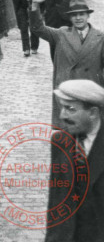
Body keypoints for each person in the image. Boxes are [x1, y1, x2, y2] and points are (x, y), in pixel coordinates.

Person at [46, 79, 104, 242]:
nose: (62, 116)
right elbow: (56, 200)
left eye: (70, 109)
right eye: (62, 107)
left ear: (93, 112)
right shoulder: (59, 141)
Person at [30, 0, 104, 123]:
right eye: (74, 15)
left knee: (89, 133)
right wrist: (34, 7)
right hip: (67, 92)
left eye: (82, 14)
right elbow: (38, 29)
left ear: (88, 16)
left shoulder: (100, 37)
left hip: (89, 93)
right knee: (67, 133)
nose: (78, 18)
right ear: (70, 18)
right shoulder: (61, 34)